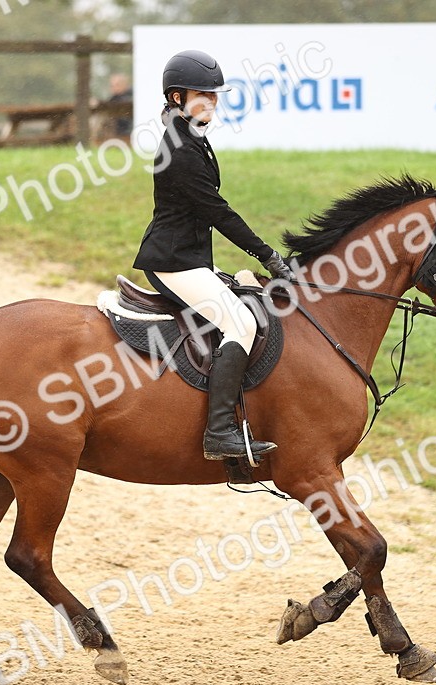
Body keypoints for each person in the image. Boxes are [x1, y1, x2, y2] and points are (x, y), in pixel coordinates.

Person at [131, 49, 293, 463]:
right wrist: (269, 256)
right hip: (173, 262)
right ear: (177, 97)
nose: (212, 103)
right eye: (204, 95)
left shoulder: (191, 136)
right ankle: (219, 432)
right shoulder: (181, 149)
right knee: (239, 322)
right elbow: (218, 213)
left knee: (244, 299)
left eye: (215, 95)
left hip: (188, 258)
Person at [107, 73, 132, 138]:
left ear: (124, 85)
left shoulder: (128, 98)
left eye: (117, 85)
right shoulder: (114, 98)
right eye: (112, 85)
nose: (114, 88)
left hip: (126, 133)